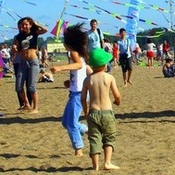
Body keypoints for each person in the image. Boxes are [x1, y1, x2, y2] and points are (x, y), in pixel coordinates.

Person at [50, 23, 91, 157]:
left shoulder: (74, 52)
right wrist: (70, 81)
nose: (63, 42)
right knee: (65, 122)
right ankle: (86, 129)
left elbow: (79, 65)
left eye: (64, 40)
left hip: (78, 94)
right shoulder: (76, 53)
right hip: (75, 92)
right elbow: (83, 69)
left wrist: (60, 68)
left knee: (71, 123)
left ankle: (78, 149)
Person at [81, 48, 122, 171]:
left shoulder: (88, 79)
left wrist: (86, 112)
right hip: (107, 112)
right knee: (109, 137)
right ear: (105, 65)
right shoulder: (109, 77)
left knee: (94, 138)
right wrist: (117, 102)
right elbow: (117, 95)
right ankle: (107, 162)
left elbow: (83, 98)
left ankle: (96, 165)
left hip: (93, 112)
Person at [12, 17, 47, 113]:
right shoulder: (18, 37)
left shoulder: (34, 32)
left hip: (33, 62)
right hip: (23, 62)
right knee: (18, 87)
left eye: (26, 24)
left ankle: (35, 108)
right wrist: (14, 49)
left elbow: (45, 30)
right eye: (22, 24)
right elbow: (16, 50)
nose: (24, 26)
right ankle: (26, 104)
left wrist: (36, 23)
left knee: (31, 86)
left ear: (30, 25)